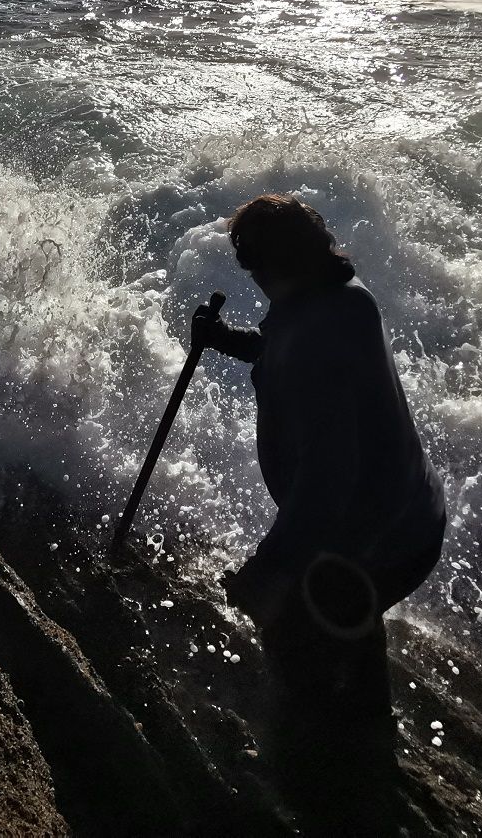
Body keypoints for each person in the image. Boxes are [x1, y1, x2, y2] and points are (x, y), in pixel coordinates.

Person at [193, 193, 446, 818]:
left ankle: (324, 776)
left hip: (376, 540)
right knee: (342, 624)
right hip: (407, 513)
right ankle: (365, 733)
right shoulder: (338, 295)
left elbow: (326, 485)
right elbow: (286, 345)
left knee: (295, 633)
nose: (248, 276)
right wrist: (227, 341)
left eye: (249, 264)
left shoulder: (312, 337)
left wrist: (270, 569)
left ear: (264, 265)